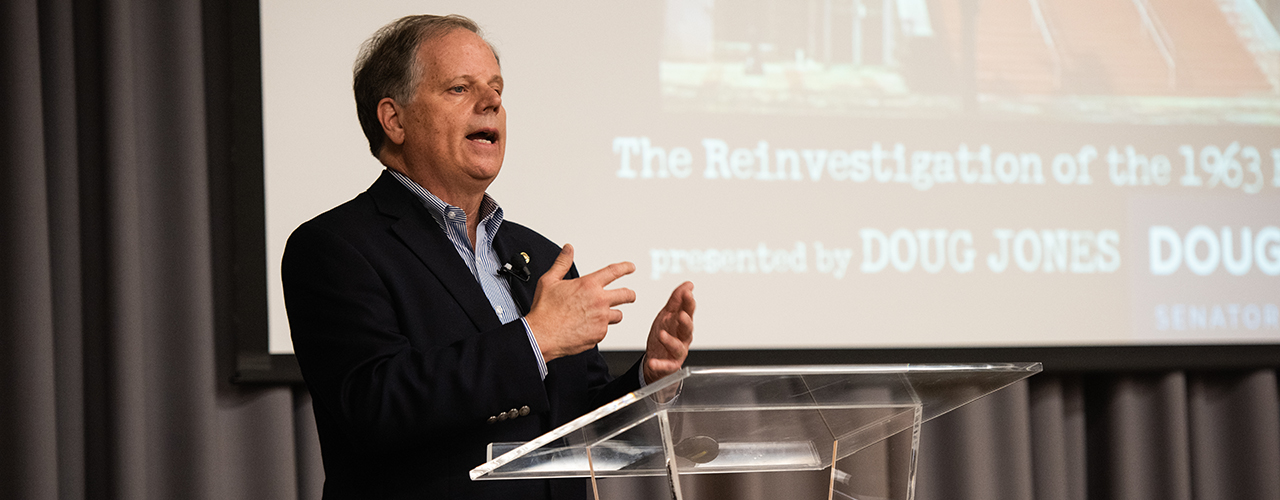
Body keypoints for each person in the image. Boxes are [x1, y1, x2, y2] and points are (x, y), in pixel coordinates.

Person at [281, 14, 696, 500]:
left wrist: (649, 381)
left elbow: (581, 424)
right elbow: (376, 405)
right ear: (394, 120)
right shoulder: (335, 247)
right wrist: (535, 338)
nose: (492, 102)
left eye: (496, 89)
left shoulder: (541, 257)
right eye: (460, 88)